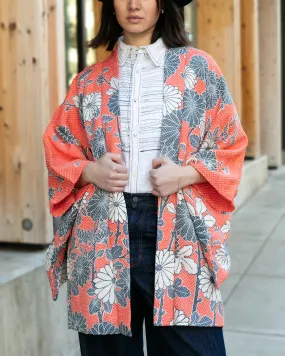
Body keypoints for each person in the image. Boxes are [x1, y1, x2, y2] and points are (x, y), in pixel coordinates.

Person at [43, 0, 248, 355]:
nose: (134, 4)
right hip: (101, 237)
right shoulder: (88, 82)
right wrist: (92, 170)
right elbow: (59, 147)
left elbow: (230, 144)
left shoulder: (199, 70)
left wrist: (184, 175)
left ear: (164, 4)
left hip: (176, 234)